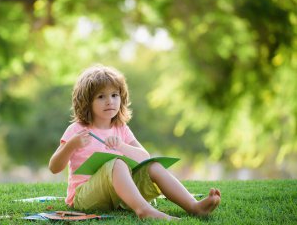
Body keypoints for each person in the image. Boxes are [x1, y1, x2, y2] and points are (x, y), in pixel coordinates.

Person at [49, 65, 221, 220]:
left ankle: (193, 206)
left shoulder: (120, 128)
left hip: (118, 197)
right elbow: (54, 167)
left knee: (153, 166)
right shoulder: (77, 130)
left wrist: (121, 146)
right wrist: (72, 144)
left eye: (114, 95)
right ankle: (144, 210)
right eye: (101, 96)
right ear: (87, 102)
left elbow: (143, 157)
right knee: (117, 163)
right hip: (84, 198)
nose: (110, 101)